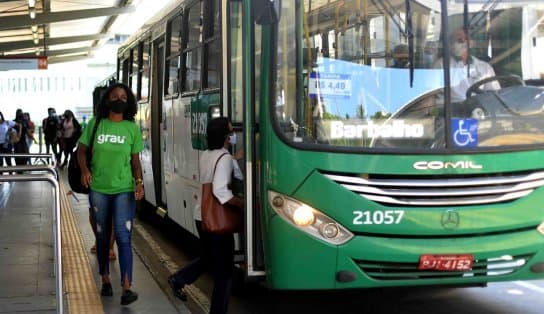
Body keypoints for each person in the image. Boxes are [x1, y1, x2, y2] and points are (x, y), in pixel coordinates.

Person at [77, 82, 144, 306]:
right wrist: (86, 171)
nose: (119, 99)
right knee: (103, 237)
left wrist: (139, 182)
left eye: (123, 97)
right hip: (99, 189)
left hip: (124, 190)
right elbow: (81, 150)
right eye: (115, 96)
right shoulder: (96, 124)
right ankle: (105, 279)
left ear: (129, 102)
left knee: (124, 238)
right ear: (107, 100)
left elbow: (135, 161)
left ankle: (127, 287)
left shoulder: (132, 128)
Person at [168, 117, 243, 314]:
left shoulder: (207, 154)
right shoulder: (225, 158)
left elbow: (213, 174)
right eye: (230, 131)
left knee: (209, 258)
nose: (233, 134)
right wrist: (243, 204)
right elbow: (220, 191)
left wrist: (233, 160)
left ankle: (179, 279)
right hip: (217, 220)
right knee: (225, 271)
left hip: (201, 215)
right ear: (225, 136)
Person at [433, 28, 500, 102]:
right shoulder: (441, 65)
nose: (455, 44)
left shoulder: (485, 67)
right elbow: (433, 94)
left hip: (478, 109)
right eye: (453, 40)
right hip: (451, 109)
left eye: (460, 40)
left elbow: (495, 94)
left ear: (470, 43)